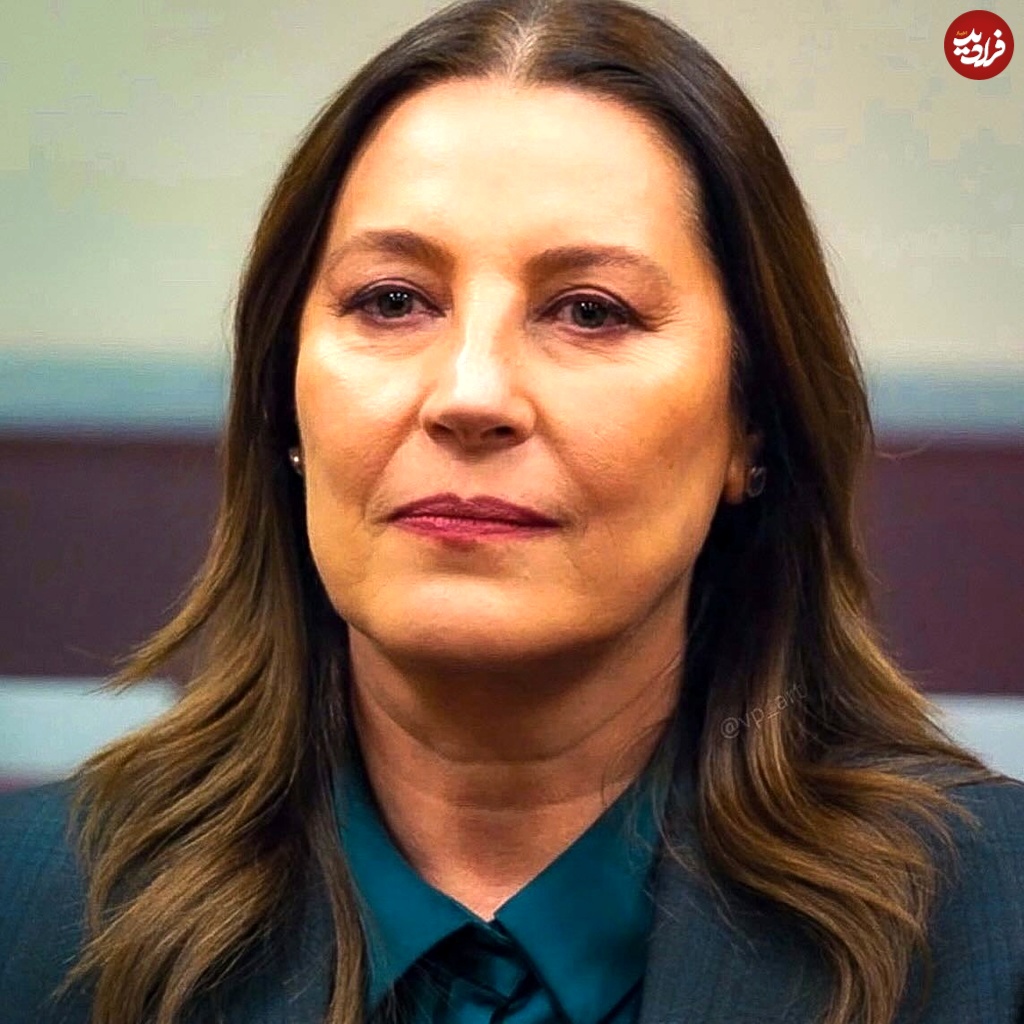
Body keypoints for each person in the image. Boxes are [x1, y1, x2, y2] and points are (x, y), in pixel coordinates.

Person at [2, 0, 1022, 1022]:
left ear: (749, 425)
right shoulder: (30, 913)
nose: (470, 393)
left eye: (589, 310)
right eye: (392, 300)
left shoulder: (991, 936)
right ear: (284, 401)